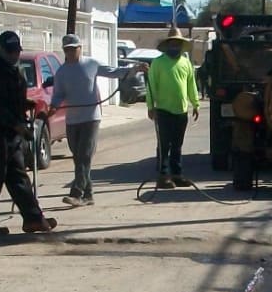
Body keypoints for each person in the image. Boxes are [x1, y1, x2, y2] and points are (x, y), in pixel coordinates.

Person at [0, 30, 56, 236]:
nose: (14, 55)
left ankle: (33, 219)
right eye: (9, 51)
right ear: (0, 50)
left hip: (10, 132)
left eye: (16, 51)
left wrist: (27, 104)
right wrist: (16, 125)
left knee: (17, 174)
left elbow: (12, 99)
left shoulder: (14, 69)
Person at [47, 32, 136, 207]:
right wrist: (53, 106)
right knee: (78, 158)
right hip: (72, 120)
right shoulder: (62, 72)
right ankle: (89, 195)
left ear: (80, 48)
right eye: (67, 50)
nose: (71, 53)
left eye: (74, 49)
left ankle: (77, 193)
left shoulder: (91, 64)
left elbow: (114, 72)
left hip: (91, 118)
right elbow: (58, 95)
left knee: (85, 156)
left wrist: (134, 69)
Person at [145, 28, 199, 189]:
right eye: (172, 43)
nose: (175, 46)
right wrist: (150, 106)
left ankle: (177, 174)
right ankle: (163, 176)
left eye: (177, 44)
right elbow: (151, 86)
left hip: (181, 110)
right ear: (167, 45)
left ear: (181, 46)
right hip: (163, 110)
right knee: (164, 144)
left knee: (177, 145)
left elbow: (191, 85)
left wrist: (195, 103)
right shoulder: (158, 63)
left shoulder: (186, 63)